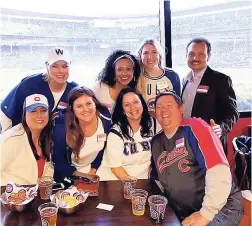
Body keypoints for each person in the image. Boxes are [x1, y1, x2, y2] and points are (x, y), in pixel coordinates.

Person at [151, 91, 243, 226]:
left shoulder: (195, 127)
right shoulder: (156, 142)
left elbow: (219, 171)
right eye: (159, 107)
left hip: (221, 207)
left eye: (169, 105)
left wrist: (205, 214)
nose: (164, 110)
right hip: (184, 212)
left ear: (181, 108)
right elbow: (157, 181)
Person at [182, 37, 239, 154]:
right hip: (186, 142)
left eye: (201, 54)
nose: (195, 58)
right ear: (186, 56)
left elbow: (232, 112)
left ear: (208, 56)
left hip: (210, 142)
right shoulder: (184, 80)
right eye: (191, 54)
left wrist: (221, 128)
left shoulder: (220, 80)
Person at [0, 47, 78, 132]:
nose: (60, 71)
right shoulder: (29, 84)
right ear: (47, 66)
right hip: (22, 132)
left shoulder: (74, 90)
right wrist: (9, 137)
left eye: (65, 66)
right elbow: (7, 112)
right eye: (54, 66)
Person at [51, 86, 111, 181]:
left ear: (95, 103)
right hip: (69, 174)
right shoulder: (61, 127)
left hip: (94, 170)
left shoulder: (105, 118)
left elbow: (102, 148)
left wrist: (93, 169)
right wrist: (80, 177)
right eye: (79, 106)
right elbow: (58, 160)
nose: (85, 109)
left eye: (88, 104)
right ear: (72, 109)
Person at [102, 88, 158, 180]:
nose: (133, 107)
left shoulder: (154, 124)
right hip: (115, 180)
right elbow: (116, 168)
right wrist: (133, 189)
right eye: (127, 105)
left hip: (143, 180)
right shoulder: (115, 132)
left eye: (136, 102)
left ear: (142, 103)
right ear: (123, 110)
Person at [1, 94, 53, 185]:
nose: (39, 115)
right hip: (9, 197)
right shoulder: (10, 139)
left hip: (34, 196)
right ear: (24, 114)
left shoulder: (46, 138)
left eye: (43, 110)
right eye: (33, 111)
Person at [136, 39, 181, 113]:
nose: (150, 57)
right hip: (146, 122)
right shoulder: (136, 78)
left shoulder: (172, 76)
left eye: (154, 52)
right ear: (140, 56)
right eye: (145, 53)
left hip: (168, 121)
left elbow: (178, 105)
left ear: (159, 55)